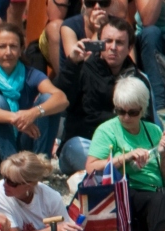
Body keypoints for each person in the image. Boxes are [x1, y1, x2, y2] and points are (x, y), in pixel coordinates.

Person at [0, 23, 68, 176]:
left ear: (21, 50)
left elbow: (62, 99)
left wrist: (34, 112)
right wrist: (15, 118)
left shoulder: (31, 74)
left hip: (21, 146)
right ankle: (17, 169)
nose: (8, 52)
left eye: (13, 46)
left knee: (48, 99)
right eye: (2, 46)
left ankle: (39, 168)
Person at [56, 17, 156, 176]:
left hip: (124, 149)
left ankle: (117, 173)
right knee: (79, 148)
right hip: (85, 145)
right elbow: (59, 100)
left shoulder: (138, 79)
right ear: (99, 44)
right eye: (107, 41)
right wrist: (71, 64)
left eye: (120, 43)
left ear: (129, 47)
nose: (113, 47)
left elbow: (148, 121)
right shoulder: (81, 70)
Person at [86, 78, 165, 231]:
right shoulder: (107, 130)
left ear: (143, 109)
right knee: (158, 202)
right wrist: (125, 157)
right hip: (127, 192)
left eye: (133, 112)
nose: (126, 117)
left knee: (158, 199)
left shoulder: (153, 130)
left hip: (154, 191)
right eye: (121, 111)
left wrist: (163, 154)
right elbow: (91, 168)